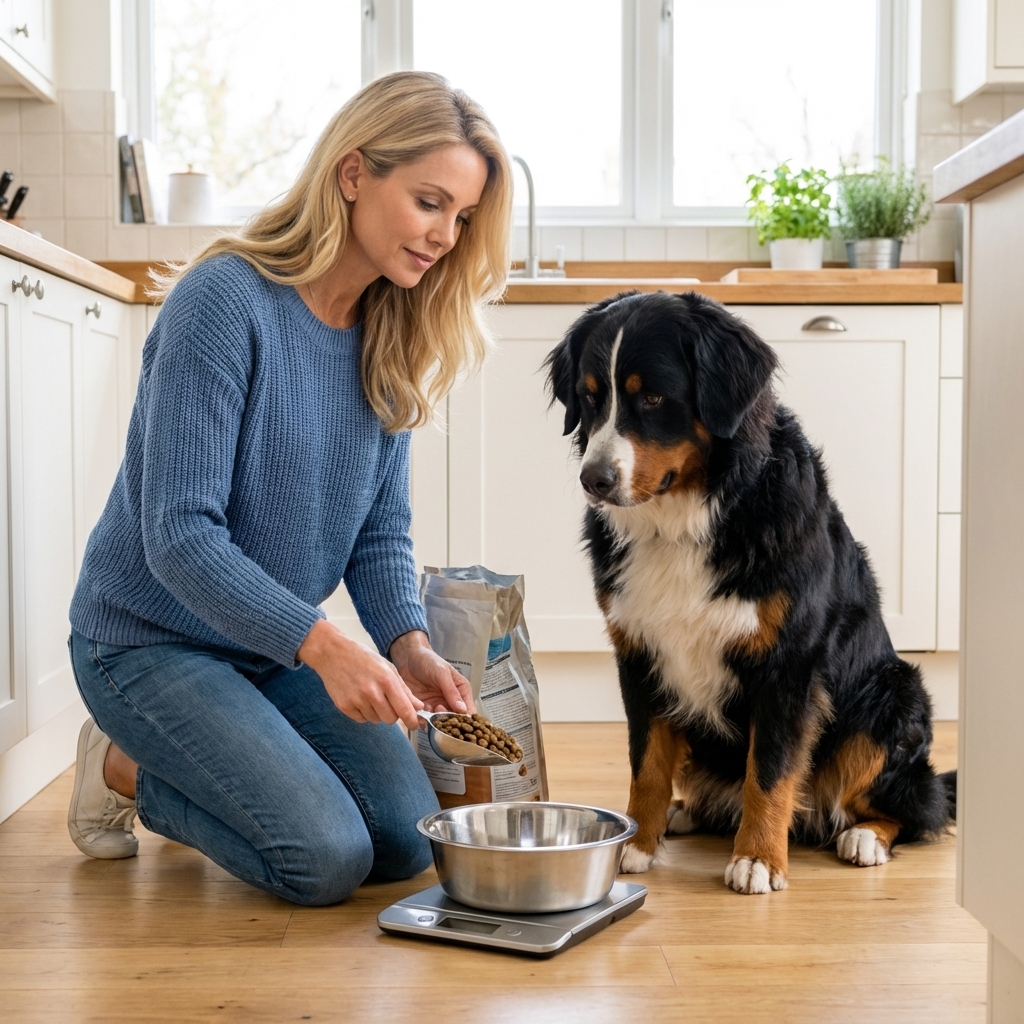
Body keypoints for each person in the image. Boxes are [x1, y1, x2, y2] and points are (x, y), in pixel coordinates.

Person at [65, 71, 512, 906]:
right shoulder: (225, 302)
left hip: (266, 648)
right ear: (352, 175)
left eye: (461, 218)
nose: (447, 235)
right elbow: (181, 536)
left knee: (402, 840)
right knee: (324, 859)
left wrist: (408, 645)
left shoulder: (391, 332)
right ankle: (118, 766)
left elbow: (379, 536)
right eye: (429, 203)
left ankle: (225, 750)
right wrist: (324, 643)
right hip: (145, 644)